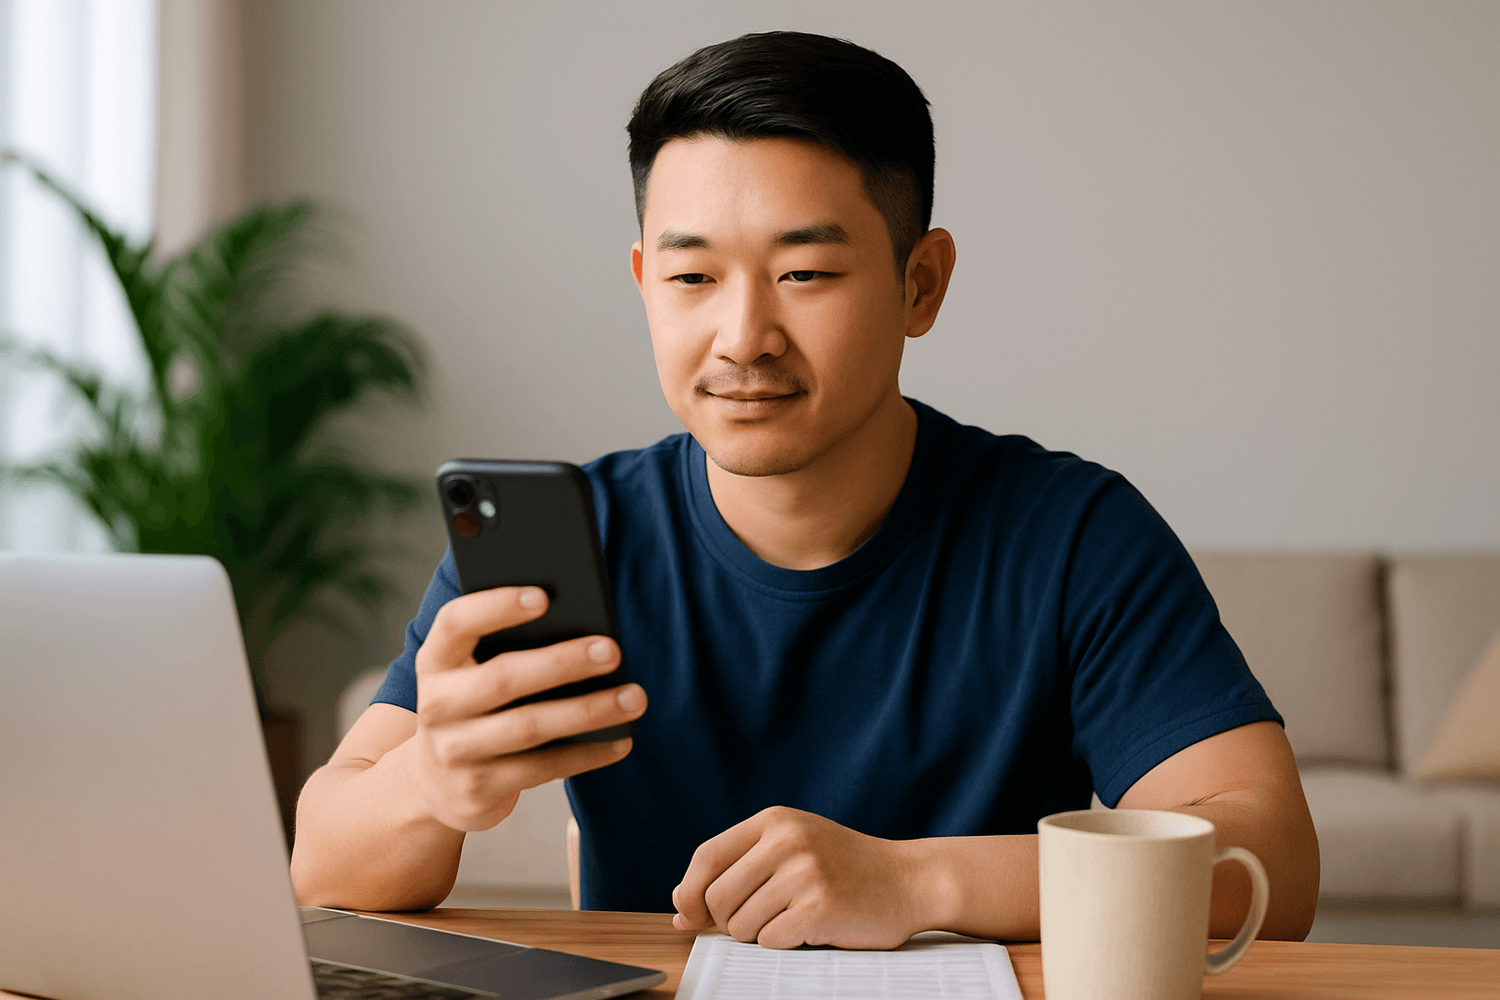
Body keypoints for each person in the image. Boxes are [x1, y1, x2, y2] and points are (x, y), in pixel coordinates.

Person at [291, 31, 1319, 948]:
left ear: (921, 284)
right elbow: (323, 864)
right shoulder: (582, 536)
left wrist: (918, 879)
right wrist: (433, 781)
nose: (743, 338)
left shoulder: (1071, 534)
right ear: (646, 280)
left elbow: (1269, 862)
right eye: (693, 279)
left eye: (805, 275)